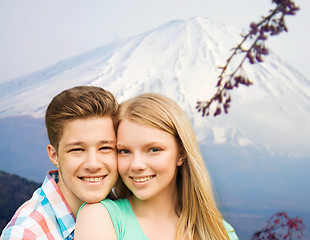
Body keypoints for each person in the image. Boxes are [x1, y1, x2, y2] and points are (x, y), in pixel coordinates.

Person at [75, 93, 239, 240]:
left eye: (154, 150)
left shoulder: (221, 231)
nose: (137, 165)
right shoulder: (100, 217)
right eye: (125, 151)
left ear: (181, 154)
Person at [1, 86, 119, 240]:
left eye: (105, 148)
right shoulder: (27, 235)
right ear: (54, 155)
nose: (93, 164)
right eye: (77, 150)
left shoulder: (128, 207)